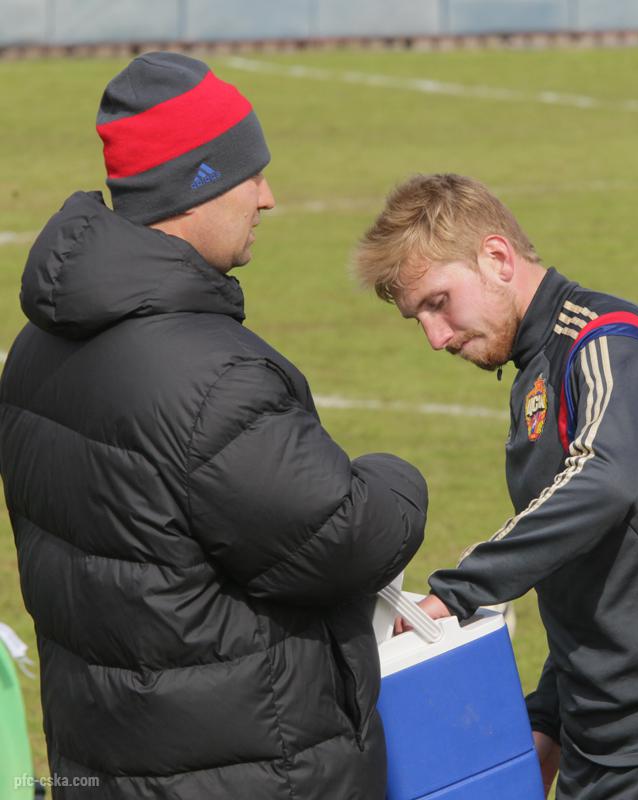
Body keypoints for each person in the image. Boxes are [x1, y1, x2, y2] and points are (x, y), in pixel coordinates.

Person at [0, 52, 427, 799]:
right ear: (194, 185)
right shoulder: (212, 378)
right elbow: (343, 537)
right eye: (248, 175)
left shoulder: (36, 349)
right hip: (246, 771)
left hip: (106, 761)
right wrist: (396, 478)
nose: (268, 198)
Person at [355, 174, 638, 800]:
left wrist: (462, 588)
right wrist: (550, 720)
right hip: (598, 740)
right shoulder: (535, 373)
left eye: (438, 302)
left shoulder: (606, 339)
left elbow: (604, 481)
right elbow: (586, 568)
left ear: (497, 258)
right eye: (417, 316)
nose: (435, 336)